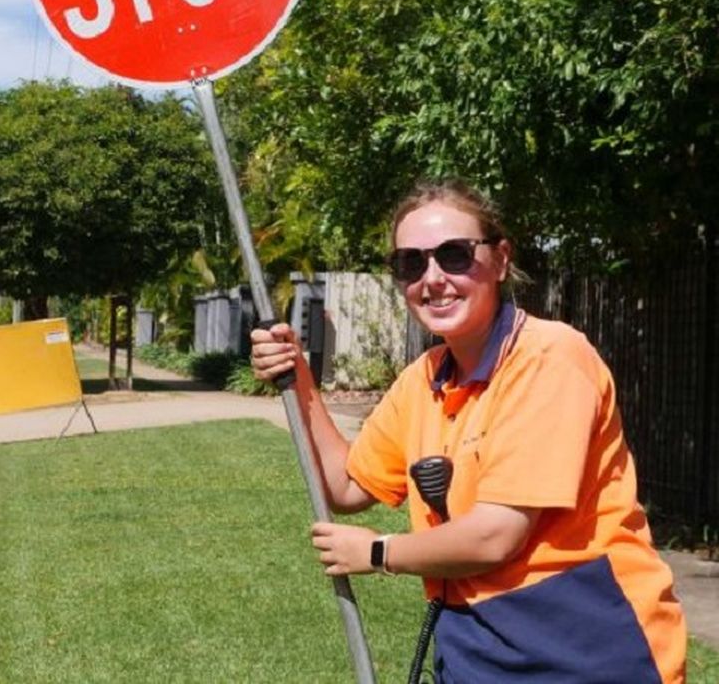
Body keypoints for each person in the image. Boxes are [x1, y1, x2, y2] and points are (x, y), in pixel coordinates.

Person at [251, 180, 686, 683]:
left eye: (454, 255)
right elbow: (347, 486)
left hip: (586, 648)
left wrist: (377, 552)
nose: (432, 278)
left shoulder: (550, 359)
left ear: (501, 259)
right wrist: (299, 378)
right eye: (410, 263)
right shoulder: (424, 379)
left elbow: (496, 536)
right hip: (475, 647)